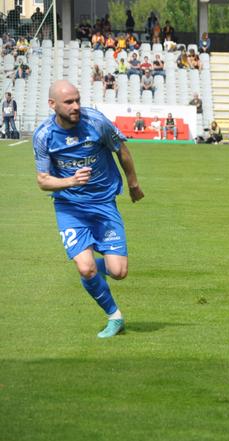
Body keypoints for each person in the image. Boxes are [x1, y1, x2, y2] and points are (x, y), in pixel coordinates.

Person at [32, 80, 144, 338]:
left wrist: (133, 183)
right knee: (86, 268)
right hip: (70, 207)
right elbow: (43, 180)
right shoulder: (43, 135)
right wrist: (70, 181)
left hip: (103, 203)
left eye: (77, 100)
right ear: (53, 105)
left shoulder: (96, 122)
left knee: (119, 272)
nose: (76, 106)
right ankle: (114, 316)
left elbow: (122, 150)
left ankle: (88, 268)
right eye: (69, 102)